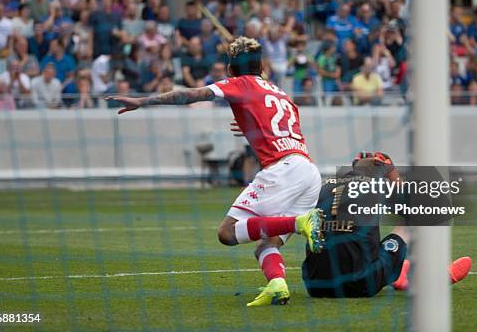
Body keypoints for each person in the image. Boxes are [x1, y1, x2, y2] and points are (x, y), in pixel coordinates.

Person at [107, 36, 325, 306]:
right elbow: (281, 127)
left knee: (227, 233)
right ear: (260, 67)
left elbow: (191, 95)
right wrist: (250, 127)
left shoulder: (239, 83)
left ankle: (300, 223)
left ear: (231, 69)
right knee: (266, 244)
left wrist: (143, 101)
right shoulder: (279, 92)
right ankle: (277, 285)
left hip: (284, 169)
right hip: (308, 170)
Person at [302, 152, 472, 297]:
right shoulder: (379, 186)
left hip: (315, 284)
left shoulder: (324, 187)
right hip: (358, 285)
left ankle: (399, 272)